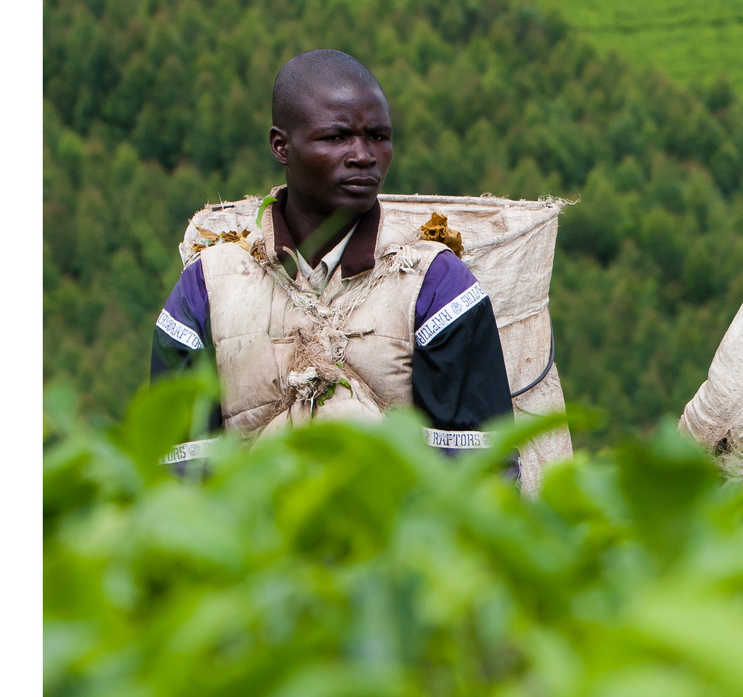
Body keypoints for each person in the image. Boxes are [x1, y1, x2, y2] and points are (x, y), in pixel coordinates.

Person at [151, 48, 513, 458]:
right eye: (336, 137)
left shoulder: (435, 283)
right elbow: (180, 466)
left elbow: (476, 470)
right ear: (281, 146)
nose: (364, 156)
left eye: (378, 136)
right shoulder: (207, 288)